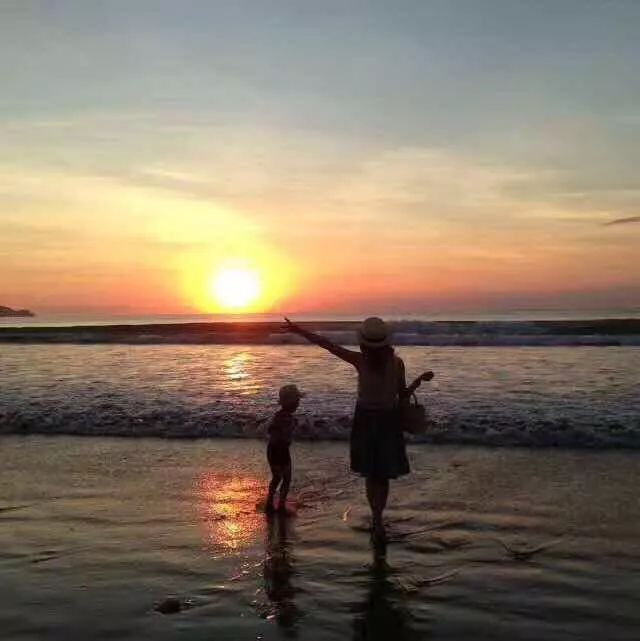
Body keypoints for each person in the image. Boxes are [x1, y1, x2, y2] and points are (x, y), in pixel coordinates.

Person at [283, 316, 433, 541]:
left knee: (371, 474)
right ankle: (379, 520)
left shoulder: (360, 360)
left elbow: (327, 345)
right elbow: (402, 395)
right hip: (389, 421)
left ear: (364, 342)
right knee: (382, 475)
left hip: (365, 420)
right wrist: (418, 381)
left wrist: (299, 330)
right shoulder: (397, 363)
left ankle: (376, 520)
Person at [266, 383, 304, 514]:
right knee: (286, 479)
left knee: (276, 478)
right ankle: (280, 505)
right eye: (297, 401)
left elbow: (270, 430)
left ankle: (270, 502)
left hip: (272, 449)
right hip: (280, 450)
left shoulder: (279, 416)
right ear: (292, 403)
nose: (298, 403)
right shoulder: (287, 419)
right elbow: (276, 432)